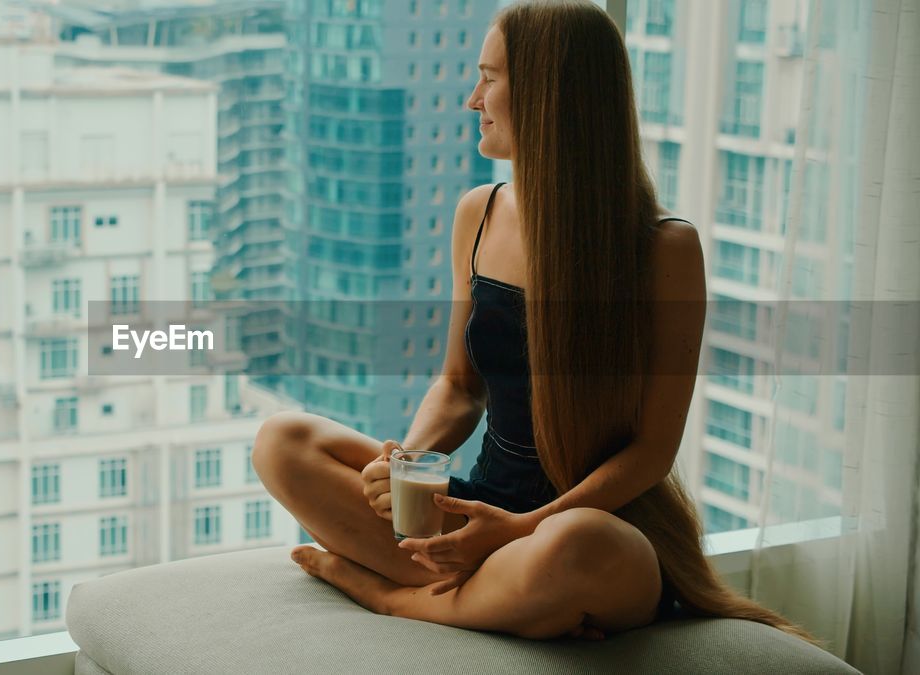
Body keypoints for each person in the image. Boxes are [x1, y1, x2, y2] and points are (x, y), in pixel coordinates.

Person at [251, 0, 817, 643]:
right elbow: (460, 387)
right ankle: (502, 596)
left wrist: (522, 528)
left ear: (549, 95)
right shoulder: (480, 212)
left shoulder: (664, 249)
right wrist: (409, 470)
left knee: (578, 544)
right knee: (284, 441)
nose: (472, 99)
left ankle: (399, 600)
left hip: (591, 528)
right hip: (476, 510)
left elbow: (652, 454)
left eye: (489, 78)